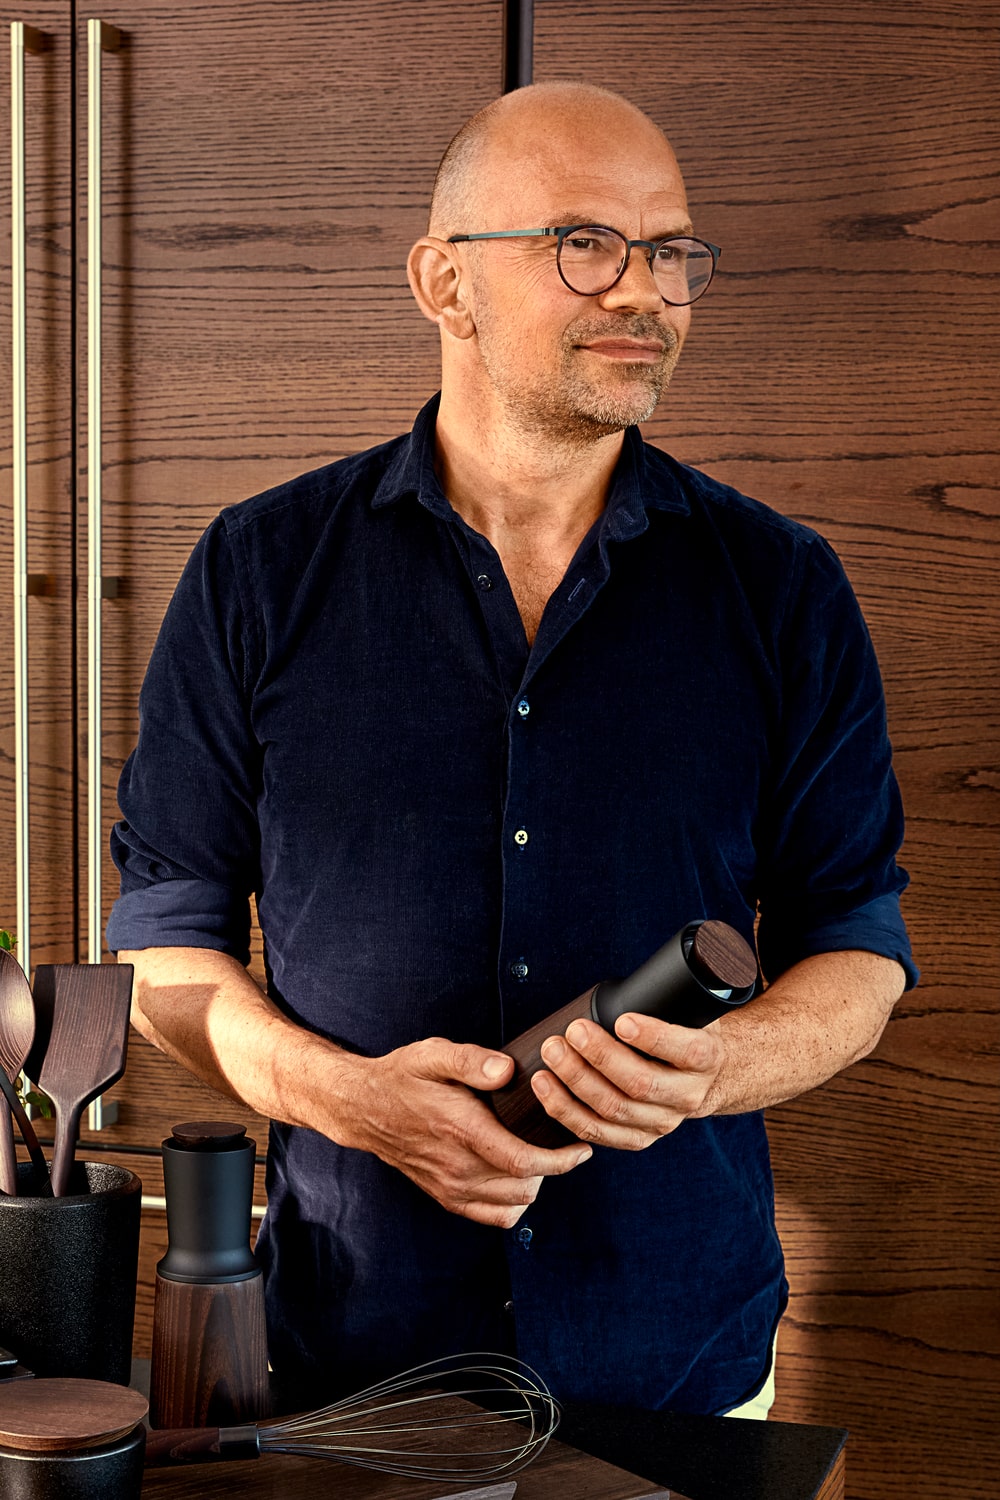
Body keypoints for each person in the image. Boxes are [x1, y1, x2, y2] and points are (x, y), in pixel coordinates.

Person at [108, 82, 915, 1417]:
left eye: (670, 252)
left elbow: (859, 948)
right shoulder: (260, 568)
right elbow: (163, 949)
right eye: (585, 244)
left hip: (680, 1365)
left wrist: (725, 1065)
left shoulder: (782, 587)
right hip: (347, 1366)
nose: (644, 291)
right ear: (445, 282)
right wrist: (348, 1099)